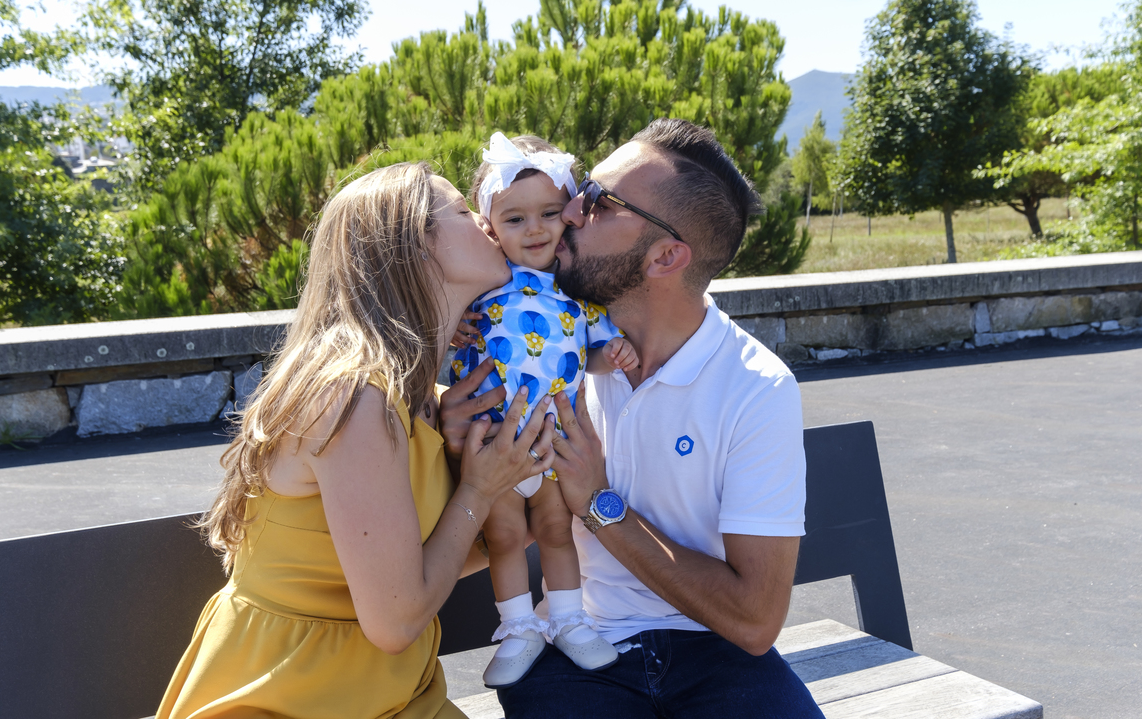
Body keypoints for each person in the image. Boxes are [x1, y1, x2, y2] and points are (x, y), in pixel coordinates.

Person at [440, 119, 826, 717]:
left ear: (667, 255)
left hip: (716, 652)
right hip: (574, 650)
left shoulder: (756, 388)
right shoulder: (540, 353)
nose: (568, 210)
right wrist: (453, 436)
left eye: (598, 202)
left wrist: (598, 502)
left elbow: (753, 624)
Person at [157, 162, 558, 719]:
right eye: (465, 213)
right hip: (292, 699)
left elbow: (432, 557)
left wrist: (492, 478)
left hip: (394, 693)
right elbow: (394, 621)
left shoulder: (429, 399)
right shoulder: (354, 398)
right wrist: (477, 491)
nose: (491, 225)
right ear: (416, 250)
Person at [450, 133, 636, 687]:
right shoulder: (480, 286)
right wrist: (449, 328)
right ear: (488, 227)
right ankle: (518, 627)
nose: (534, 230)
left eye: (550, 213)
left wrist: (611, 354)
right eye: (515, 220)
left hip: (553, 440)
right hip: (496, 447)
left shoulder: (579, 293)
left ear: (569, 215)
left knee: (558, 529)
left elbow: (591, 355)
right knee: (504, 536)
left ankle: (569, 621)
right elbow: (442, 338)